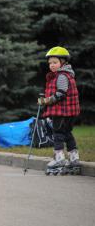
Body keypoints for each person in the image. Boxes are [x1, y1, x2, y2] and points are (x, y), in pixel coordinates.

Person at [38, 47, 81, 175]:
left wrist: (46, 101)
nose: (52, 65)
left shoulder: (62, 76)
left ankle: (59, 159)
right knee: (67, 133)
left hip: (62, 111)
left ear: (63, 62)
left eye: (55, 62)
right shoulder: (66, 74)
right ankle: (74, 159)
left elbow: (61, 93)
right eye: (50, 63)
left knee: (58, 134)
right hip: (69, 112)